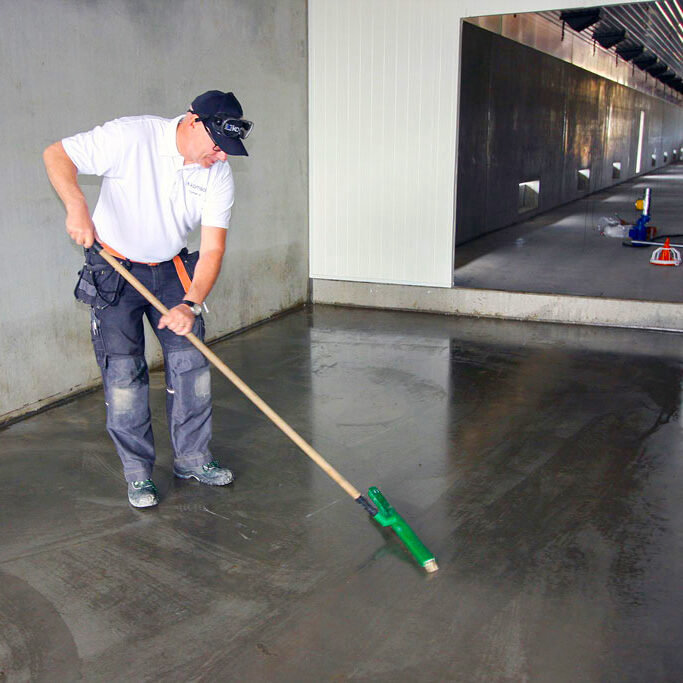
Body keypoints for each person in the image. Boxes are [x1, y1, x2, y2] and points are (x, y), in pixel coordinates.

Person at [43, 90, 253, 508]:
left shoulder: (217, 173)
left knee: (191, 366)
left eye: (227, 151)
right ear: (194, 122)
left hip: (173, 270)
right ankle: (138, 474)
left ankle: (193, 458)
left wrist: (190, 303)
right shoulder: (132, 137)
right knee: (124, 376)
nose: (221, 157)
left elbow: (211, 251)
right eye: (216, 146)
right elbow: (56, 154)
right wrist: (76, 205)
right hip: (114, 269)